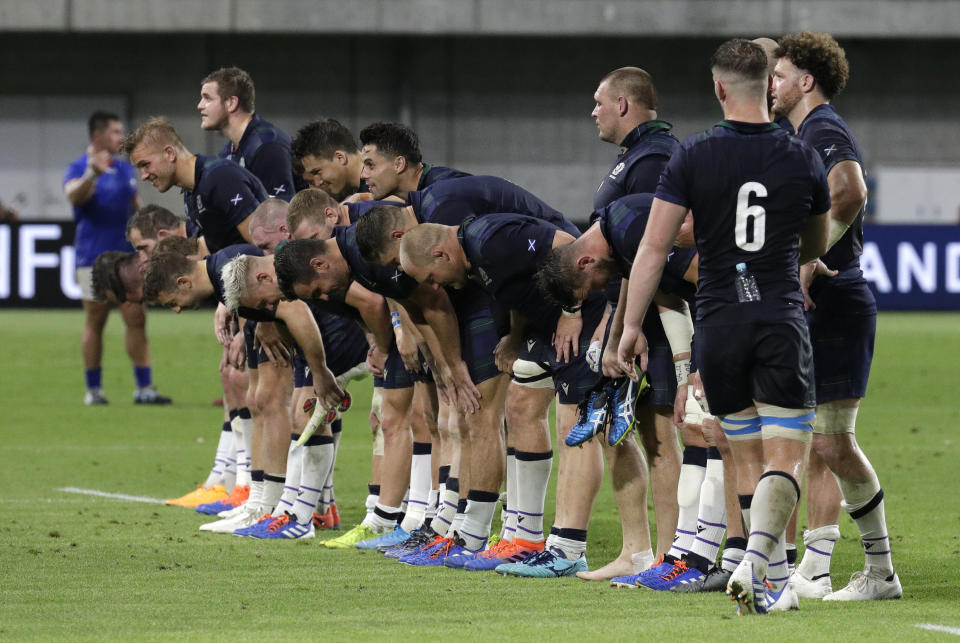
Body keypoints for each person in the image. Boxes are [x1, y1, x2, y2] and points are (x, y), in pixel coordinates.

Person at [615, 39, 830, 615]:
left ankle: (771, 582)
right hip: (779, 317)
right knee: (786, 457)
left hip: (719, 322)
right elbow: (815, 241)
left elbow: (653, 248)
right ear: (768, 85)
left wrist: (630, 327)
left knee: (746, 458)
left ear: (718, 88)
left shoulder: (691, 155)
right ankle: (760, 562)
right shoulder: (802, 155)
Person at [398, 216, 609, 578]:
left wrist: (573, 311)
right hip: (544, 322)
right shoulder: (474, 260)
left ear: (441, 254)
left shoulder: (490, 239)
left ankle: (569, 547)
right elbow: (517, 286)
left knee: (574, 422)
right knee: (520, 406)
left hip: (582, 313)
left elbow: (566, 244)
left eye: (431, 277)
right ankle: (524, 539)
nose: (435, 287)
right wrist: (514, 335)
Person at [773, 30, 901, 602]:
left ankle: (879, 573)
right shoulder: (804, 132)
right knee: (822, 441)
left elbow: (850, 191)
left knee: (832, 442)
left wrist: (811, 257)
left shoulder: (822, 127)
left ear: (806, 81)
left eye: (780, 74)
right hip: (827, 302)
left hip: (836, 298)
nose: (771, 83)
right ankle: (823, 564)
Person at [589, 66, 687, 580]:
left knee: (660, 432)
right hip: (629, 316)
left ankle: (669, 554)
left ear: (624, 103)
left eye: (600, 102)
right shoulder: (633, 158)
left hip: (653, 317)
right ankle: (636, 551)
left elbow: (647, 252)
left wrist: (621, 325)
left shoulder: (655, 160)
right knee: (622, 427)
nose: (594, 112)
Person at [64, 111, 170, 406]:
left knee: (136, 318)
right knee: (95, 320)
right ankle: (93, 390)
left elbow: (135, 206)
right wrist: (92, 174)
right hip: (92, 260)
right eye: (114, 132)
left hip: (126, 259)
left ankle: (144, 388)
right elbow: (73, 196)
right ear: (97, 135)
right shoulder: (78, 168)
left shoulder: (124, 170)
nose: (120, 138)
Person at [122, 117, 266, 252]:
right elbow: (219, 246)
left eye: (145, 165)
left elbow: (264, 244)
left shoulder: (219, 178)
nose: (143, 176)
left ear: (169, 153)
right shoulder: (191, 193)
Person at [198, 66, 298, 200]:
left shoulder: (266, 146)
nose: (200, 105)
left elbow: (283, 211)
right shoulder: (230, 150)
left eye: (207, 98)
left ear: (231, 103)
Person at [358, 122, 470, 201]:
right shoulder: (423, 194)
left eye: (370, 165)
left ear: (399, 164)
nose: (363, 175)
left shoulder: (442, 195)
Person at [291, 119, 367, 200]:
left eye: (317, 172)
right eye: (311, 182)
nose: (317, 183)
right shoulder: (361, 191)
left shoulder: (378, 190)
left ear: (340, 158)